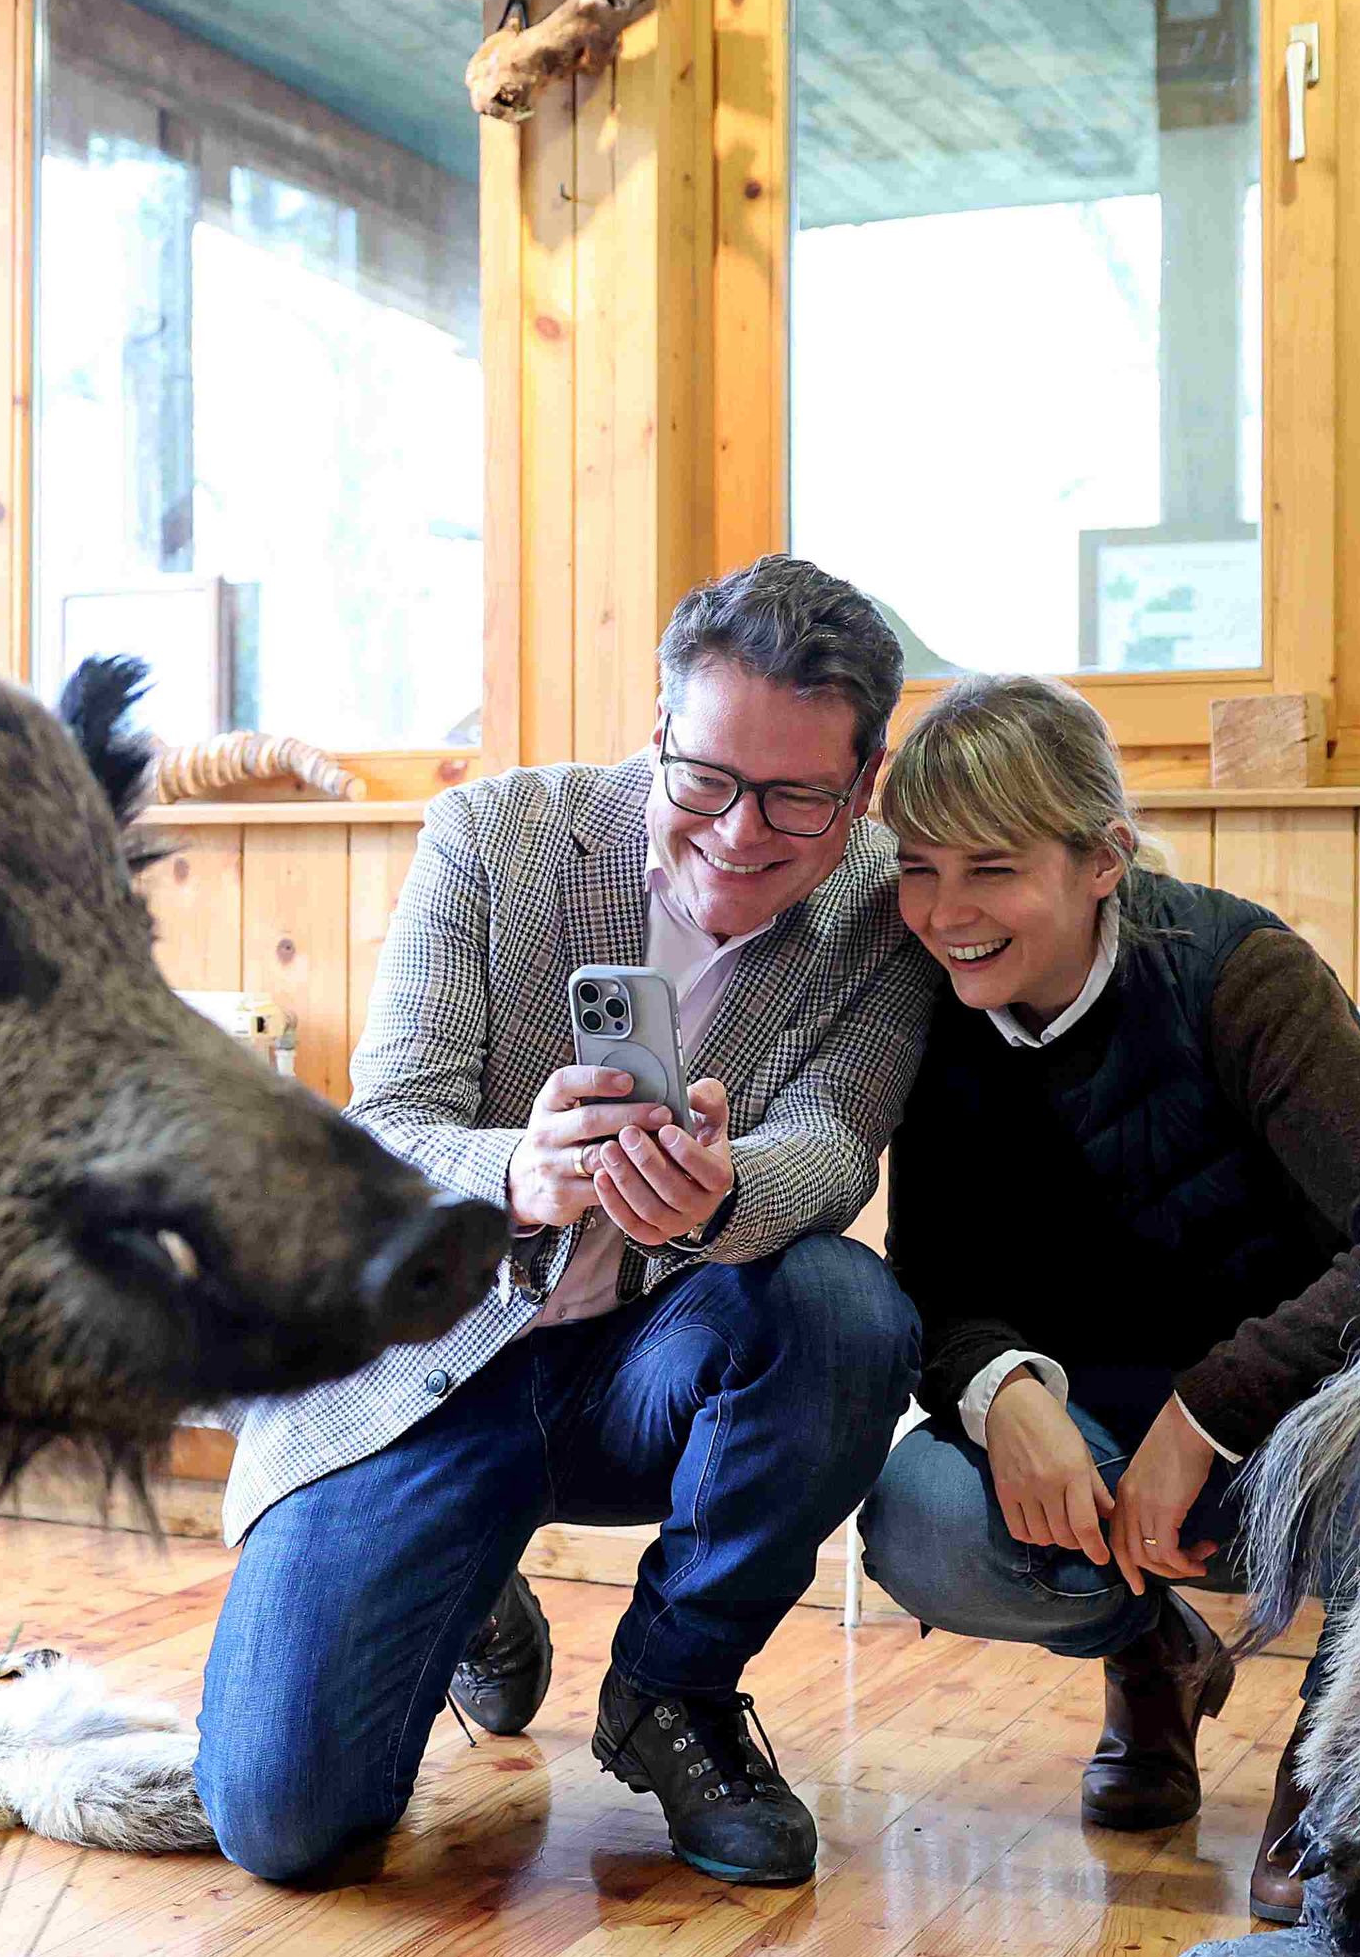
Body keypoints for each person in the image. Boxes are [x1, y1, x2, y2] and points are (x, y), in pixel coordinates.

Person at [196, 556, 941, 1889]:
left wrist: (728, 1194)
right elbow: (390, 1128)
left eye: (797, 798)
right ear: (659, 732)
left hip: (652, 1364)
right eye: (705, 776)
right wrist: (519, 1175)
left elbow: (834, 1143)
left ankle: (673, 1690)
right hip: (427, 1365)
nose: (736, 831)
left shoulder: (888, 907)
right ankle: (469, 1576)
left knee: (844, 1305)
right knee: (287, 1824)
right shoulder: (493, 838)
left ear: (866, 780)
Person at [856, 672, 1360, 1921]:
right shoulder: (926, 1002)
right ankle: (1148, 1658)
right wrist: (1000, 1391)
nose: (943, 914)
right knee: (921, 1516)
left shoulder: (1240, 973)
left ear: (1101, 859)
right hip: (1094, 1417)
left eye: (989, 870)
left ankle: (1337, 1764)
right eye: (917, 869)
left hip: (1302, 1410)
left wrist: (1210, 1412)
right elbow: (936, 1273)